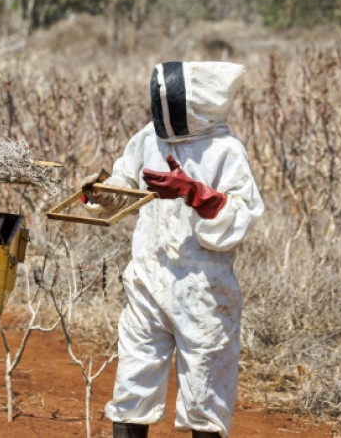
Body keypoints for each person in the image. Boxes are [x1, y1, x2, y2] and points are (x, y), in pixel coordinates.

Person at [82, 61, 264, 438]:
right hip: (147, 278)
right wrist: (101, 193)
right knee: (133, 383)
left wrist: (194, 193)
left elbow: (242, 215)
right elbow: (125, 180)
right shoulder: (150, 137)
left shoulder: (225, 150)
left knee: (205, 393)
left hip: (203, 288)